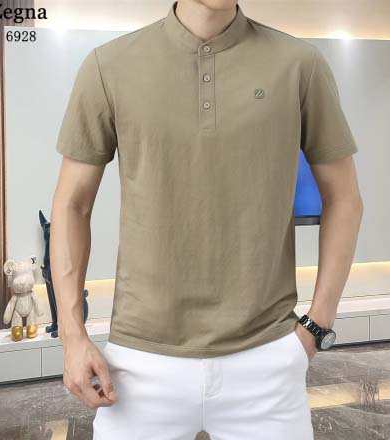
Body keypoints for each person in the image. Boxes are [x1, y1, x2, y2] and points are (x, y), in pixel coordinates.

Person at [50, 0, 363, 439]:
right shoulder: (108, 66)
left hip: (267, 359)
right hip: (139, 365)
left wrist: (317, 324)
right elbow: (71, 205)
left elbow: (344, 198)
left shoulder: (300, 65)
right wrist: (72, 336)